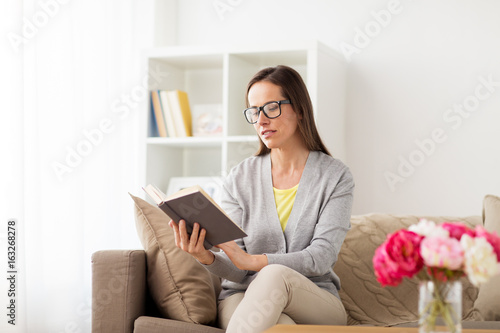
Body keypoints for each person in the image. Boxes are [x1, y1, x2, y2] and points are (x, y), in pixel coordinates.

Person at [169, 65, 354, 333]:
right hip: (242, 297)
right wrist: (206, 257)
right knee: (281, 326)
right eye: (254, 111)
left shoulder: (335, 176)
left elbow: (321, 258)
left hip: (314, 298)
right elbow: (238, 270)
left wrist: (256, 262)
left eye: (271, 108)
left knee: (274, 274)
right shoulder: (239, 178)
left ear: (300, 109)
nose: (261, 120)